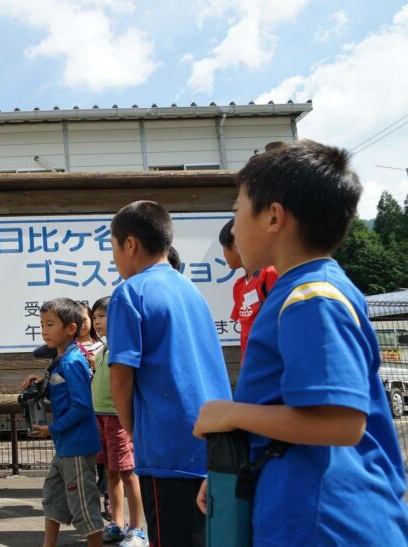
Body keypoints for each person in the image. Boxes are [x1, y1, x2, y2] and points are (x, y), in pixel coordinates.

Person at [194, 141, 408, 545]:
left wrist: (230, 413)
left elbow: (341, 423)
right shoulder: (305, 289)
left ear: (273, 216)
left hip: (326, 521)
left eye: (238, 210)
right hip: (310, 510)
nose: (234, 226)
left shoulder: (311, 297)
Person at [106, 200, 232, 547]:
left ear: (130, 244)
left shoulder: (130, 293)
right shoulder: (190, 290)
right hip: (215, 443)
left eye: (113, 248)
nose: (114, 258)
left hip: (168, 449)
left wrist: (133, 427)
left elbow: (121, 377)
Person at [22, 298, 104, 547]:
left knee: (82, 501)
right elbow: (63, 392)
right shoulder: (62, 359)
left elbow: (82, 406)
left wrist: (51, 428)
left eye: (50, 324)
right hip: (66, 446)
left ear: (70, 329)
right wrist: (40, 384)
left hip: (76, 446)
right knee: (53, 495)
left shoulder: (71, 361)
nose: (44, 330)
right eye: (42, 324)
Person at [89, 296, 147, 547]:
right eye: (94, 317)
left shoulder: (124, 347)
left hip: (119, 419)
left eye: (103, 316)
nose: (97, 321)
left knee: (128, 474)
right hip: (100, 417)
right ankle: (117, 523)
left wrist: (129, 422)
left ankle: (137, 529)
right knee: (110, 473)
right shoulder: (102, 349)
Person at [219, 218, 277, 361]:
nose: (224, 254)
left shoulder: (270, 274)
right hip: (251, 367)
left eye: (224, 247)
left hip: (272, 368)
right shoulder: (239, 286)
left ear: (236, 244)